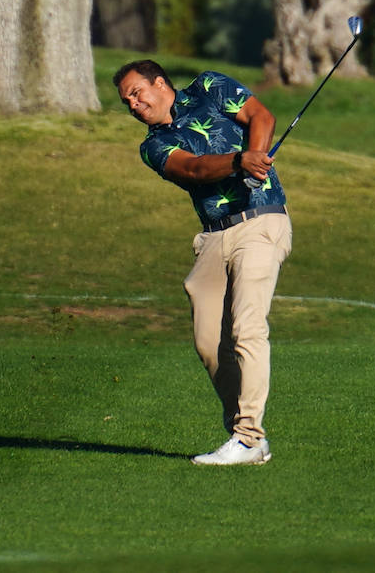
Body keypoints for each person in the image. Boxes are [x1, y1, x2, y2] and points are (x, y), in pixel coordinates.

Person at [113, 59, 293, 466]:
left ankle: (248, 437)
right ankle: (246, 439)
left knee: (247, 328)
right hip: (213, 235)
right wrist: (237, 163)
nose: (134, 105)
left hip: (261, 221)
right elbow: (193, 169)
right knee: (209, 341)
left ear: (160, 83)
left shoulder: (209, 86)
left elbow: (260, 115)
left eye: (137, 93)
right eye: (127, 102)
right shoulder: (153, 145)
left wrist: (256, 156)